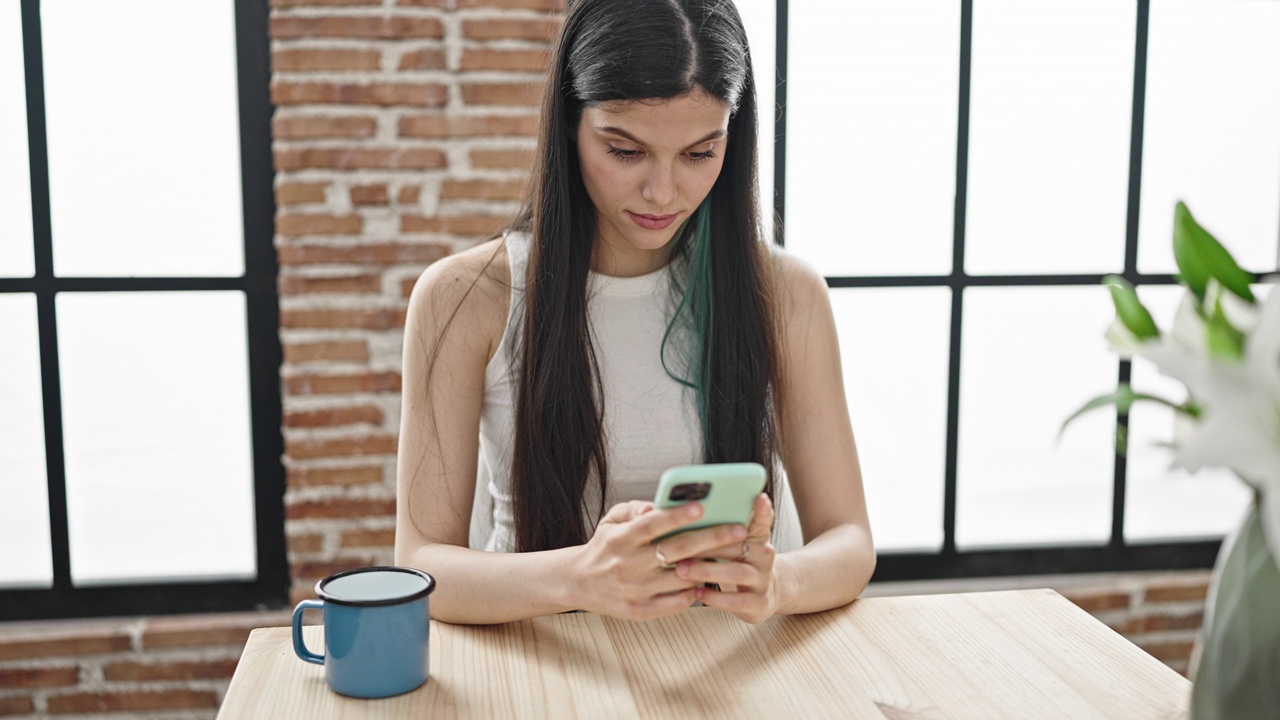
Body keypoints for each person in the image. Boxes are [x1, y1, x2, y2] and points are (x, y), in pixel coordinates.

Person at [394, 0, 874, 625]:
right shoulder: (464, 296)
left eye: (700, 154)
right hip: (540, 663)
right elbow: (421, 566)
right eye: (625, 151)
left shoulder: (784, 291)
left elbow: (849, 541)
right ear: (570, 123)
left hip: (724, 662)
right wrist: (580, 577)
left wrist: (779, 583)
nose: (663, 192)